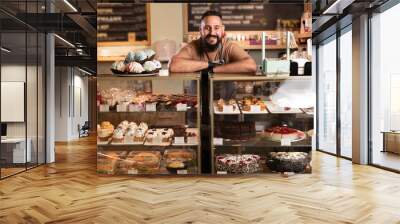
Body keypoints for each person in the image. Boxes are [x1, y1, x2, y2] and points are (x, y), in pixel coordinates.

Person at [169, 10, 257, 74]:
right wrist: (210, 64)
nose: (212, 33)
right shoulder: (192, 47)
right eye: (207, 28)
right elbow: (174, 65)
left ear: (222, 30)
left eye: (216, 28)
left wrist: (213, 69)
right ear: (200, 30)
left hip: (226, 99)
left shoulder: (229, 47)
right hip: (197, 98)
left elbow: (251, 65)